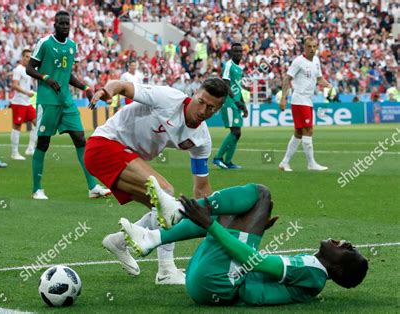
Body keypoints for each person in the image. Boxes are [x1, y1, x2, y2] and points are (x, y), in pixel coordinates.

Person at [119, 182, 369, 306]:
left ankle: (178, 212)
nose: (347, 244)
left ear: (337, 270)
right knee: (236, 209)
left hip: (219, 284)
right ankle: (152, 237)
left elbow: (255, 262)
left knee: (261, 195)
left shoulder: (313, 272)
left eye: (350, 251)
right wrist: (250, 227)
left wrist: (211, 226)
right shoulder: (313, 272)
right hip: (209, 283)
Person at [86, 78, 229, 284]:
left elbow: (202, 187)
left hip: (124, 156)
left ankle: (119, 242)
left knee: (163, 209)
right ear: (195, 92)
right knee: (165, 194)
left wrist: (212, 219)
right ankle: (166, 271)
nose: (202, 110)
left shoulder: (201, 139)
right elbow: (123, 85)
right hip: (104, 145)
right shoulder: (169, 98)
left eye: (211, 108)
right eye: (201, 101)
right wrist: (106, 91)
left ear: (218, 110)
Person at [25, 10, 111, 200]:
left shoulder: (72, 46)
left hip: (66, 101)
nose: (65, 26)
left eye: (67, 24)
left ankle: (92, 187)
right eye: (61, 23)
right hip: (48, 101)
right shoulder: (45, 43)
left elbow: (67, 74)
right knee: (44, 143)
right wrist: (46, 78)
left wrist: (86, 88)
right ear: (54, 25)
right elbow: (29, 68)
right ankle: (37, 188)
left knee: (81, 139)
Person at [278, 36, 333, 171]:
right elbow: (287, 79)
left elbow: (319, 78)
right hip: (299, 100)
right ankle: (311, 163)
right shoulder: (298, 62)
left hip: (308, 100)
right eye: (309, 46)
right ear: (304, 47)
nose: (312, 49)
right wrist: (284, 97)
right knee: (308, 130)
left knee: (298, 132)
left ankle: (284, 163)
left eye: (314, 46)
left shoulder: (316, 61)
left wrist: (328, 85)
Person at [213, 43, 248, 169]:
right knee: (235, 131)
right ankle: (218, 158)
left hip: (236, 103)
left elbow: (238, 88)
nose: (238, 53)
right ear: (231, 53)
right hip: (228, 102)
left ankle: (228, 162)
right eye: (235, 51)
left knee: (237, 133)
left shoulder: (239, 68)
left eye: (240, 51)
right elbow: (226, 84)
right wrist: (235, 100)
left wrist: (243, 104)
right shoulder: (228, 65)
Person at [10, 49, 38, 160]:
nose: (28, 59)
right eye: (26, 56)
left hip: (26, 102)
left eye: (29, 57)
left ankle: (30, 148)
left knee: (38, 123)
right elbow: (14, 85)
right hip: (19, 102)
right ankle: (14, 153)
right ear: (22, 57)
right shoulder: (18, 70)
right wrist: (27, 92)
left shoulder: (27, 70)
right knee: (17, 126)